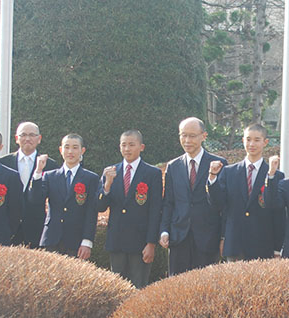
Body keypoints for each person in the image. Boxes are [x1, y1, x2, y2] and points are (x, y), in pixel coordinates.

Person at [159, 117, 227, 275]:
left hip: (207, 238)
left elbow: (223, 204)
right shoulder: (173, 166)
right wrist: (164, 231)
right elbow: (168, 202)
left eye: (192, 136)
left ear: (204, 136)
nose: (187, 140)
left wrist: (224, 237)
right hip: (178, 237)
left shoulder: (219, 163)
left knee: (206, 285)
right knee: (176, 285)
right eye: (183, 135)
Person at [207, 124, 284, 261]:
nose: (251, 144)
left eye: (257, 140)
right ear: (243, 141)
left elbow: (278, 213)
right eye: (248, 139)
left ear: (265, 142)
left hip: (263, 245)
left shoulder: (276, 175)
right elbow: (218, 204)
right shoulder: (229, 172)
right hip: (235, 244)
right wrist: (212, 178)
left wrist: (277, 248)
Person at [98, 130, 162, 288]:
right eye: (124, 145)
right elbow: (100, 206)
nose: (127, 149)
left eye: (131, 145)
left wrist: (151, 243)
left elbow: (155, 211)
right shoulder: (111, 171)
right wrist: (107, 185)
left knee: (138, 287)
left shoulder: (152, 173)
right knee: (117, 288)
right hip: (117, 241)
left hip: (140, 242)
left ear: (141, 147)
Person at [29, 133, 99, 259]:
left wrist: (87, 241)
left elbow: (91, 212)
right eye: (66, 147)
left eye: (75, 147)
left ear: (82, 150)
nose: (70, 151)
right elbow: (35, 199)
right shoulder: (50, 176)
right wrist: (38, 172)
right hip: (51, 238)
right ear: (61, 150)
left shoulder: (91, 178)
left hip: (76, 240)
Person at [0, 122, 58, 248]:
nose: (27, 138)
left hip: (36, 229)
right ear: (16, 138)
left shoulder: (50, 165)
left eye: (32, 135)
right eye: (23, 135)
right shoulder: (3, 163)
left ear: (39, 139)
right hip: (7, 228)